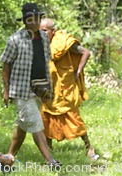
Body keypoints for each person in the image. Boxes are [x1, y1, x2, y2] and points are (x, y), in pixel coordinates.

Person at [0, 3, 61, 167]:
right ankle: (50, 160)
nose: (34, 22)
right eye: (30, 19)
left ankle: (9, 157)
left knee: (23, 124)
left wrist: (48, 90)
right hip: (21, 89)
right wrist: (6, 91)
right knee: (34, 122)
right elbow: (6, 65)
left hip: (39, 88)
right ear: (25, 21)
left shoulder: (44, 37)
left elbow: (46, 63)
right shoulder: (15, 40)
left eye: (36, 19)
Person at [39, 18, 98, 159]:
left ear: (53, 31)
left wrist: (78, 71)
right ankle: (49, 147)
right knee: (46, 118)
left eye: (44, 31)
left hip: (65, 88)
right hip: (50, 88)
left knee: (73, 118)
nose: (41, 33)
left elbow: (86, 53)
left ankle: (89, 146)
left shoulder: (64, 42)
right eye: (39, 30)